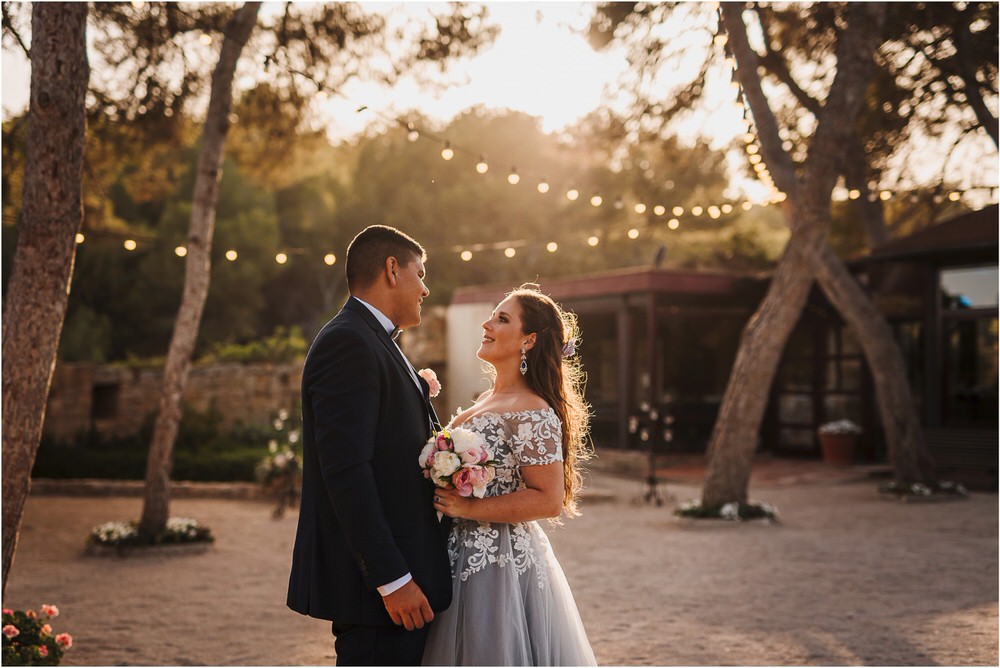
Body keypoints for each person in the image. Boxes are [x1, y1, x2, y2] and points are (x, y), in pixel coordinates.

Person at [287, 225, 452, 666]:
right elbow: (346, 472)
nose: (426, 287)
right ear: (392, 270)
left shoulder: (377, 340)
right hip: (378, 595)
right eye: (420, 273)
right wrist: (393, 580)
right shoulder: (348, 342)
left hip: (401, 580)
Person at [422, 284, 597, 666]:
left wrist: (467, 509)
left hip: (498, 564)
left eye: (502, 318)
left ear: (528, 340)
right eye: (492, 315)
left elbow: (548, 499)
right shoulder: (485, 400)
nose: (487, 323)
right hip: (454, 552)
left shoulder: (532, 410)